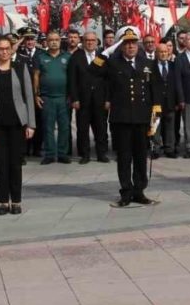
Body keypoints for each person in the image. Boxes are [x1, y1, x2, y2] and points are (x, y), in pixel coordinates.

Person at [90, 26, 162, 207]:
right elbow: (92, 71)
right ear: (121, 46)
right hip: (121, 118)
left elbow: (156, 89)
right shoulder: (113, 63)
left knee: (140, 156)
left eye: (133, 43)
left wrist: (156, 116)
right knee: (124, 157)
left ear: (138, 45)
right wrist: (106, 52)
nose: (131, 47)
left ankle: (139, 191)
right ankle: (126, 192)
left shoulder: (148, 63)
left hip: (142, 117)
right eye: (127, 43)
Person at [0, 35, 37, 215]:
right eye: (0, 49)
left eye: (7, 49)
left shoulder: (20, 67)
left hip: (18, 123)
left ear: (12, 50)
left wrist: (31, 124)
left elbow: (29, 97)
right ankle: (3, 201)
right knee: (1, 164)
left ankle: (16, 201)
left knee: (16, 164)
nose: (4, 52)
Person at [67, 31, 110, 165]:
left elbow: (108, 80)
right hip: (82, 100)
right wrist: (74, 98)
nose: (90, 42)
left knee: (101, 128)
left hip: (100, 100)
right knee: (82, 128)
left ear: (97, 42)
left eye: (92, 40)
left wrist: (108, 99)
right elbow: (72, 79)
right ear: (83, 42)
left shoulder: (103, 57)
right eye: (87, 40)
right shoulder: (76, 57)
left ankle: (101, 153)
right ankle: (84, 154)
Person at [33, 31, 72, 165]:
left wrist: (72, 95)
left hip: (64, 98)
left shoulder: (67, 57)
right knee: (48, 127)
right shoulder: (40, 57)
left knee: (64, 127)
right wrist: (36, 95)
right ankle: (49, 154)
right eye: (51, 40)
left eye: (56, 40)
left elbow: (72, 77)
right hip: (47, 98)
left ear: (60, 41)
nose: (54, 42)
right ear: (47, 42)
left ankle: (62, 154)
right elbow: (36, 76)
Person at [151, 42, 179, 158]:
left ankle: (169, 149)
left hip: (170, 102)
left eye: (165, 52)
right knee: (155, 127)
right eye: (161, 52)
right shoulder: (150, 66)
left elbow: (177, 85)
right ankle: (156, 149)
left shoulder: (173, 66)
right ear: (156, 53)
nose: (163, 54)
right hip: (156, 103)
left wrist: (178, 101)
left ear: (168, 53)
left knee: (170, 127)